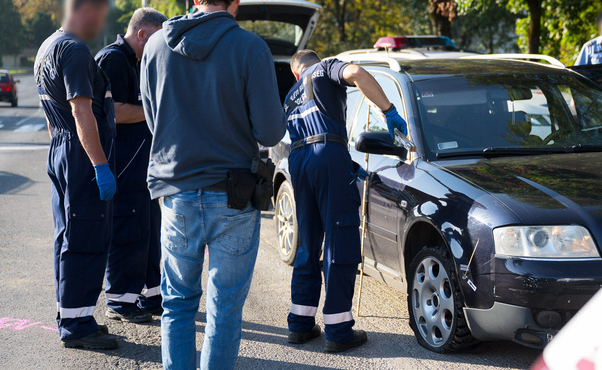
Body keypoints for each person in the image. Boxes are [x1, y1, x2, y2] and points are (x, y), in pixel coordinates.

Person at [139, 0, 286, 367]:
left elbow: (151, 117)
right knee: (225, 308)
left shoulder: (156, 44)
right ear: (235, 4)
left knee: (177, 303)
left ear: (192, 1)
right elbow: (270, 130)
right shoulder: (251, 48)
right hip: (233, 194)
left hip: (176, 191)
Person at [283, 50, 407, 353]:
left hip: (298, 160)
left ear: (295, 74)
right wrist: (388, 110)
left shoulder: (290, 95)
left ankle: (300, 324)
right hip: (326, 153)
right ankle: (338, 330)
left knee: (308, 242)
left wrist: (342, 164)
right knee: (340, 238)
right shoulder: (325, 68)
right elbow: (357, 75)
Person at [34, 0, 119, 349]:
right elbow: (81, 112)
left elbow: (51, 114)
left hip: (64, 148)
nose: (101, 21)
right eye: (101, 13)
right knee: (84, 236)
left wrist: (62, 152)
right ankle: (76, 325)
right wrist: (100, 166)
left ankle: (74, 313)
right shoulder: (75, 50)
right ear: (87, 8)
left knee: (68, 235)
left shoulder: (48, 46)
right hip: (81, 154)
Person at [95, 7, 167, 324]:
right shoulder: (113, 59)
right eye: (157, 38)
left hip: (143, 164)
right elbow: (115, 112)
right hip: (124, 162)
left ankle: (151, 294)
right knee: (128, 229)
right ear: (142, 34)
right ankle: (120, 300)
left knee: (149, 229)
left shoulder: (134, 60)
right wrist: (154, 111)